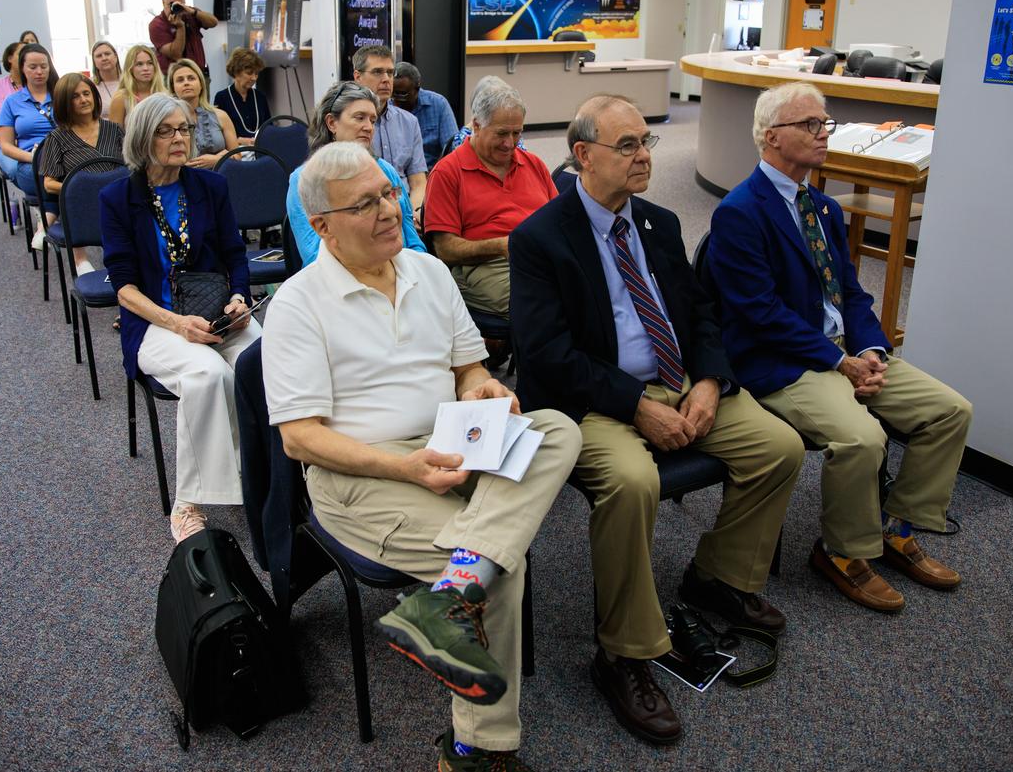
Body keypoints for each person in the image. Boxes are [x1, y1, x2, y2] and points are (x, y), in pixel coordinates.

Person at [263, 141, 581, 771]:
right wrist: (406, 467)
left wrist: (482, 389)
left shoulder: (428, 271)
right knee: (500, 570)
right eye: (365, 204)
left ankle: (450, 593)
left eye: (388, 193)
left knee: (556, 427)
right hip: (361, 471)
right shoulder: (299, 305)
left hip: (449, 441)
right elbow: (300, 438)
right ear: (322, 226)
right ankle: (473, 750)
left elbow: (469, 368)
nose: (388, 210)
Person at [509, 94, 802, 746]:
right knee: (633, 481)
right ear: (583, 154)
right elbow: (547, 355)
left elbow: (701, 312)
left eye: (648, 143)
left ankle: (720, 577)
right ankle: (622, 654)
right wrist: (635, 404)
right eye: (628, 145)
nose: (644, 156)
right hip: (591, 398)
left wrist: (706, 379)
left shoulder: (661, 223)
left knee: (779, 445)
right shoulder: (539, 239)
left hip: (678, 381)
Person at [707, 81, 972, 612]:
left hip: (843, 356)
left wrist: (872, 351)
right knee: (863, 438)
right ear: (770, 137)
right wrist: (839, 361)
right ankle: (842, 552)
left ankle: (896, 526)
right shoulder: (740, 212)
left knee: (949, 411)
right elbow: (758, 313)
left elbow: (849, 292)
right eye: (810, 124)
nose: (823, 133)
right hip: (782, 364)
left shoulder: (822, 208)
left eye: (824, 122)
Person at [100, 94, 260, 543]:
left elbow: (235, 254)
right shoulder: (117, 198)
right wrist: (176, 324)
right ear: (142, 139)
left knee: (261, 363)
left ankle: (267, 473)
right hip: (156, 323)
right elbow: (124, 287)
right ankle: (188, 501)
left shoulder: (210, 186)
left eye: (184, 129)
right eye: (166, 131)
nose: (179, 139)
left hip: (216, 314)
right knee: (208, 377)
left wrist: (238, 298)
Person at [424, 82, 553, 321]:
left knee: (593, 288)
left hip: (540, 258)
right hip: (486, 266)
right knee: (544, 304)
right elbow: (445, 249)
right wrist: (500, 246)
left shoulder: (533, 163)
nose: (510, 143)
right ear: (476, 125)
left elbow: (560, 220)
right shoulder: (447, 173)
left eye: (517, 133)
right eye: (502, 133)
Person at [286, 81, 424, 266]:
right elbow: (314, 255)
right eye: (359, 118)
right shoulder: (303, 180)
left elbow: (412, 239)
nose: (368, 127)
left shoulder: (385, 170)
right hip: (339, 283)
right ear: (332, 123)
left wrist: (418, 272)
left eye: (372, 120)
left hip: (400, 272)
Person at [37, 72, 125, 275]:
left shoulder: (114, 130)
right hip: (81, 204)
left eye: (87, 93)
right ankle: (80, 260)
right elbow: (48, 183)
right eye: (75, 96)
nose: (84, 99)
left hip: (115, 200)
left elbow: (131, 168)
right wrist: (83, 190)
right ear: (64, 103)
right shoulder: (57, 138)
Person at [0, 43, 58, 245]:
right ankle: (54, 219)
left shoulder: (61, 95)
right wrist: (33, 157)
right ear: (22, 68)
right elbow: (6, 145)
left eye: (44, 66)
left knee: (77, 176)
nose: (39, 72)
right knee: (69, 185)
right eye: (32, 67)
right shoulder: (12, 102)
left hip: (62, 158)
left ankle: (46, 221)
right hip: (31, 162)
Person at [352, 44, 427, 213]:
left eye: (390, 73)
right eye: (378, 72)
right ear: (358, 77)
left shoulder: (409, 122)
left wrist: (414, 213)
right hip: (368, 210)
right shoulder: (348, 123)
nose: (386, 79)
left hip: (407, 208)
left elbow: (418, 182)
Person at [167, 58, 237, 169]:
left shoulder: (221, 116)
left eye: (191, 78)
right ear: (173, 88)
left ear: (201, 85)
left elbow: (237, 155)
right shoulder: (167, 120)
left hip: (219, 178)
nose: (186, 83)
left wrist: (217, 160)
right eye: (180, 80)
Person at [393, 61, 458, 170]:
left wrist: (435, 174)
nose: (397, 99)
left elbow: (451, 149)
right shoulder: (387, 108)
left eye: (402, 94)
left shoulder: (438, 104)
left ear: (417, 89)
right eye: (394, 93)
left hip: (433, 171)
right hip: (398, 175)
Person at [149, 0, 217, 78]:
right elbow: (176, 54)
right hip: (172, 77)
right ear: (163, 2)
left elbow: (213, 22)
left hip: (198, 74)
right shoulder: (157, 24)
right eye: (171, 4)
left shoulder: (189, 13)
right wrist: (180, 27)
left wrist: (193, 12)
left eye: (180, 4)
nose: (176, 7)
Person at [449, 76, 528, 155]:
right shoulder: (462, 139)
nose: (509, 144)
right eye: (501, 133)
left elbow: (523, 157)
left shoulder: (512, 132)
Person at [108, 44, 166, 128]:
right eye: (139, 64)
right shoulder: (121, 98)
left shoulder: (164, 95)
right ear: (130, 69)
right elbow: (113, 136)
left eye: (150, 63)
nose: (145, 68)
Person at [89, 41, 122, 116]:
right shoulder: (89, 85)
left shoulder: (130, 79)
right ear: (94, 61)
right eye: (99, 56)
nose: (104, 58)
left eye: (107, 54)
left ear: (115, 56)